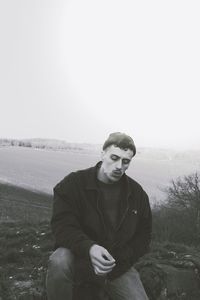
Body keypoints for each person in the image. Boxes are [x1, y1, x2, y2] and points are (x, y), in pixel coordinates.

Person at [46, 132, 152, 300]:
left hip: (115, 265)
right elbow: (62, 226)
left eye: (126, 161)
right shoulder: (73, 184)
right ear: (103, 154)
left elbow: (144, 236)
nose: (119, 166)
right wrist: (90, 248)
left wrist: (116, 262)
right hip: (77, 256)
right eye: (114, 157)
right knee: (59, 260)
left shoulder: (137, 194)